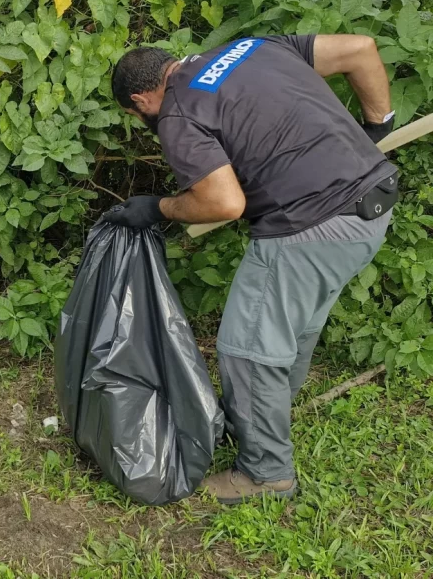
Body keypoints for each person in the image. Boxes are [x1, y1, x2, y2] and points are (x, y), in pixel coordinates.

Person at [105, 34, 398, 504]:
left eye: (136, 116)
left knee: (248, 350)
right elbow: (360, 49)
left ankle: (266, 474)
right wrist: (377, 131)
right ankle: (258, 418)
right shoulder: (252, 47)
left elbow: (223, 202)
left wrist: (157, 209)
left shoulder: (178, 115)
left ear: (140, 99)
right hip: (373, 206)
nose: (143, 122)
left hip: (312, 224)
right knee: (292, 328)